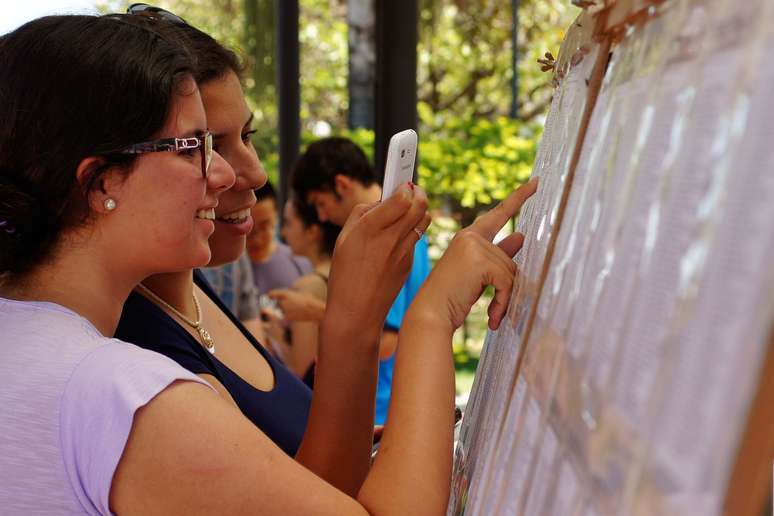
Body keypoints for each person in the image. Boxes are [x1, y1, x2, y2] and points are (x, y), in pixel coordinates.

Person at [0, 14, 538, 513]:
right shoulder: (125, 393)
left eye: (232, 141)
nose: (229, 175)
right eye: (192, 148)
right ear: (100, 183)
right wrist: (431, 316)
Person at [292, 136, 432, 424]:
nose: (322, 216)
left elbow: (385, 342)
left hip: (379, 411)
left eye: (321, 203)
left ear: (342, 185)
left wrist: (315, 312)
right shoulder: (409, 228)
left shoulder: (386, 236)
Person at [264, 196, 339, 387]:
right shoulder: (341, 273)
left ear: (313, 231)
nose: (283, 232)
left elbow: (302, 369)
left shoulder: (308, 286)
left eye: (289, 223)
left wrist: (275, 335)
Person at [247, 181, 312, 294]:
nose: (257, 239)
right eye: (248, 229)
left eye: (264, 226)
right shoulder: (227, 271)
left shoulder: (300, 264)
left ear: (276, 216)